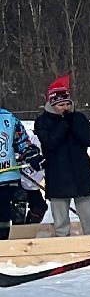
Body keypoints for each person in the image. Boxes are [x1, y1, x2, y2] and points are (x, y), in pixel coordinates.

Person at [35, 76, 90, 236]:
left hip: (82, 175)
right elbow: (50, 143)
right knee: (60, 219)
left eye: (67, 104)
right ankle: (63, 243)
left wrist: (74, 123)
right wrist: (64, 124)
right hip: (58, 176)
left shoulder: (78, 118)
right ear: (52, 104)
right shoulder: (42, 121)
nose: (65, 107)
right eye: (61, 105)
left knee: (88, 216)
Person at [0, 100, 45, 241]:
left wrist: (30, 154)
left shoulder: (8, 118)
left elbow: (22, 141)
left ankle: (14, 246)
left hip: (8, 178)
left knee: (9, 211)